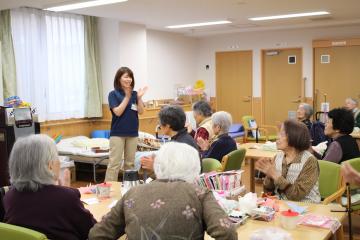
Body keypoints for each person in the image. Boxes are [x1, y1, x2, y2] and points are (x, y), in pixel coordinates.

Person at [88, 142, 238, 240]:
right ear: (195, 168)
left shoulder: (133, 192)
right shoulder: (199, 193)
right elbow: (227, 233)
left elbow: (97, 234)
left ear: (158, 166)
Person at [4, 134, 96, 240]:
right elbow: (92, 230)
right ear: (50, 165)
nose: (59, 162)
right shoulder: (66, 198)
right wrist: (66, 190)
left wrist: (64, 190)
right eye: (57, 157)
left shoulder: (10, 197)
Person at [256, 120, 321, 203]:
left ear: (295, 137)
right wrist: (269, 176)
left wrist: (275, 175)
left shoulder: (310, 161)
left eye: (282, 134)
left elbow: (297, 195)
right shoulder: (278, 157)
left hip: (306, 208)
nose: (277, 137)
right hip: (282, 207)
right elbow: (268, 191)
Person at [105, 67, 147, 181]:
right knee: (114, 164)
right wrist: (127, 97)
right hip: (117, 133)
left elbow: (141, 111)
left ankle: (129, 189)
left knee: (130, 164)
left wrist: (138, 98)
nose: (129, 79)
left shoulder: (134, 94)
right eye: (126, 76)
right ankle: (109, 191)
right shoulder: (113, 94)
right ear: (119, 78)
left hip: (132, 133)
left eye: (130, 77)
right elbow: (117, 112)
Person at [140, 105, 198, 171]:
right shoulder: (184, 138)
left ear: (167, 126)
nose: (160, 126)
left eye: (160, 123)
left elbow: (179, 173)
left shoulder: (180, 144)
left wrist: (155, 166)